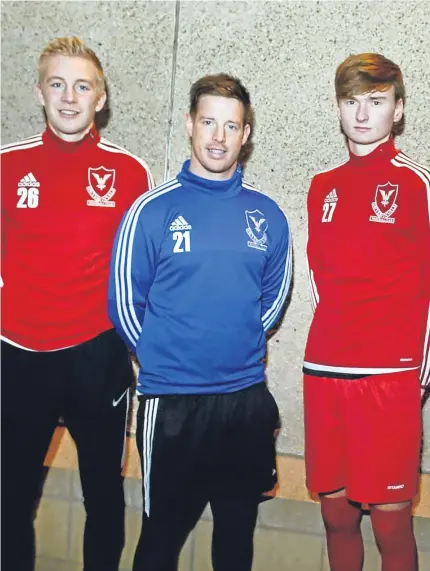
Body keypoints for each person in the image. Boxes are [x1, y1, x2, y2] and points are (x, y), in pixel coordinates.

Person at [108, 73, 292, 571]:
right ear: (190, 124)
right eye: (208, 122)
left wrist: (238, 347)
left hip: (245, 401)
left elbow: (272, 300)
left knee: (236, 539)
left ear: (245, 134)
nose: (218, 136)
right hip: (173, 404)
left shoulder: (268, 216)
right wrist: (167, 359)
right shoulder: (151, 211)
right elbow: (125, 303)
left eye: (231, 126)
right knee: (160, 538)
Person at [1, 37, 153, 571]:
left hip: (97, 357)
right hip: (17, 357)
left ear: (101, 98)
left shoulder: (131, 174)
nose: (70, 97)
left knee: (104, 500)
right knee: (9, 502)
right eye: (58, 84)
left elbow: (143, 273)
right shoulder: (6, 166)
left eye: (82, 86)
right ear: (38, 92)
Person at [304, 52, 430, 571]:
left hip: (388, 378)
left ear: (398, 110)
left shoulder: (417, 184)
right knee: (335, 516)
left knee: (389, 522)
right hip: (325, 372)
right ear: (338, 108)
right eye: (351, 101)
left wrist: (416, 374)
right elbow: (318, 279)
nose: (361, 114)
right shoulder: (321, 186)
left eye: (375, 102)